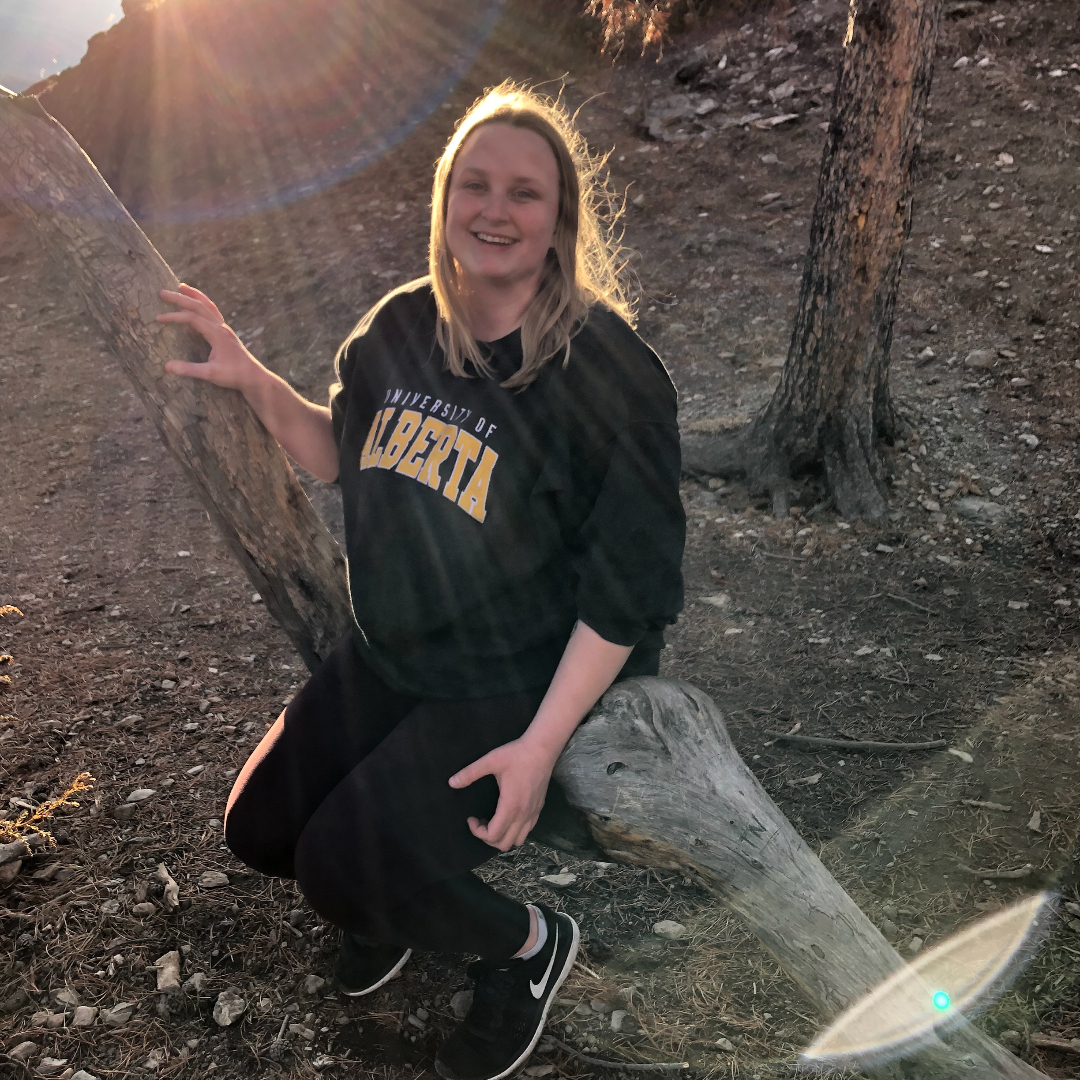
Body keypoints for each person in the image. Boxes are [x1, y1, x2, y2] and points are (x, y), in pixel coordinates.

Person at [157, 81, 685, 1080]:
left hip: (518, 671)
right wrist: (253, 376)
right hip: (396, 649)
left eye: (524, 193)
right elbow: (339, 454)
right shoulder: (401, 327)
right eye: (473, 186)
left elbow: (632, 592)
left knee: (338, 868)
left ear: (560, 218)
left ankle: (525, 948)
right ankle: (387, 908)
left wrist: (539, 745)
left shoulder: (612, 374)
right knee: (260, 831)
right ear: (445, 205)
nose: (495, 210)